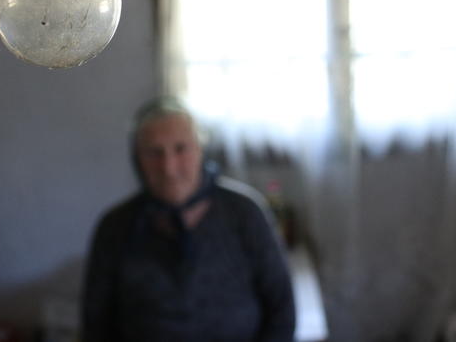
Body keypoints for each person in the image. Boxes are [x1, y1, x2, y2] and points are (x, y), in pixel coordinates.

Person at [82, 98, 296, 342]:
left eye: (180, 148)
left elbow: (281, 309)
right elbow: (96, 323)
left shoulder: (244, 213)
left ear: (200, 150)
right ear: (137, 160)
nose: (169, 167)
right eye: (154, 153)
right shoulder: (115, 226)